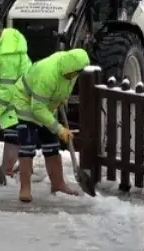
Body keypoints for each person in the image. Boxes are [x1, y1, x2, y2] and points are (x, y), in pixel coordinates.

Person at [12, 48, 90, 203]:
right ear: (67, 68)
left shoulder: (72, 70)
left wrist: (63, 98)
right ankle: (25, 189)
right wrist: (58, 128)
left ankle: (58, 184)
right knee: (27, 147)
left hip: (45, 105)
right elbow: (37, 108)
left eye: (77, 73)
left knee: (52, 146)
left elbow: (65, 85)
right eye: (73, 73)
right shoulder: (47, 74)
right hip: (26, 103)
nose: (74, 76)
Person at [0, 18, 31, 179]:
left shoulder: (7, 54)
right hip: (16, 97)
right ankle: (12, 167)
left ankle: (7, 169)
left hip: (18, 98)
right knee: (15, 133)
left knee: (13, 133)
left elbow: (7, 86)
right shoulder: (2, 48)